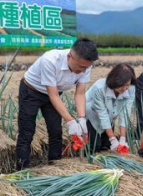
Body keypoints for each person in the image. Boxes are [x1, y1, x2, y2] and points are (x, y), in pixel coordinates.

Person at [16, 38, 98, 169]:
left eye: (86, 67)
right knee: (27, 132)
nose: (83, 71)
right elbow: (52, 94)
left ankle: (54, 167)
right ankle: (21, 170)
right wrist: (71, 121)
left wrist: (82, 118)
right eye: (81, 67)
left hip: (55, 94)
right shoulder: (50, 60)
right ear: (70, 56)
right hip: (32, 91)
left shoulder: (86, 65)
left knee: (56, 131)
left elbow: (80, 93)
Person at [86, 64, 136, 153]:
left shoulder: (131, 89)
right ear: (114, 81)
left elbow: (125, 112)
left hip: (110, 116)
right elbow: (102, 114)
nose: (125, 88)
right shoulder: (99, 88)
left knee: (107, 146)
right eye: (122, 85)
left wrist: (122, 138)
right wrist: (113, 139)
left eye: (127, 85)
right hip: (92, 114)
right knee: (94, 147)